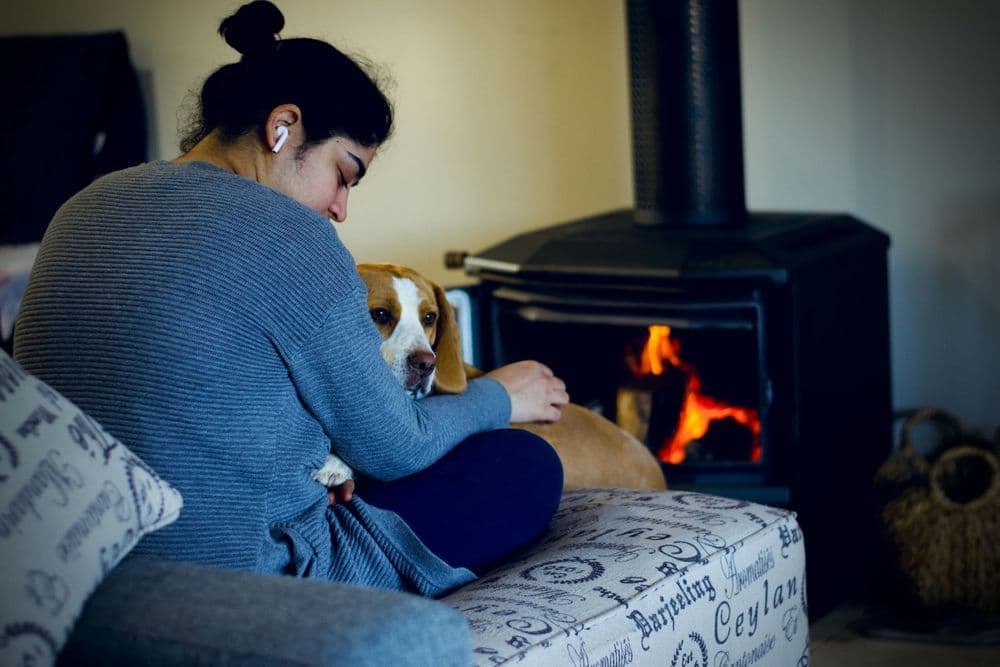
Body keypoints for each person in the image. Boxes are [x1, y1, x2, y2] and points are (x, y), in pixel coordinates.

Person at [13, 0, 567, 597]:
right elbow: (400, 446)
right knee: (524, 468)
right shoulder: (294, 236)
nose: (340, 209)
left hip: (80, 560)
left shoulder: (82, 208)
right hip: (244, 577)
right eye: (344, 173)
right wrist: (499, 396)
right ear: (283, 127)